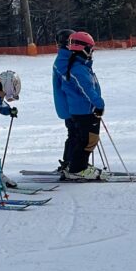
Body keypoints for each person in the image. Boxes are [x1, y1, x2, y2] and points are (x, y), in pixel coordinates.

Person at [60, 31, 107, 180]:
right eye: (90, 49)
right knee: (88, 140)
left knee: (86, 139)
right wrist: (99, 104)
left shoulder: (81, 66)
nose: (92, 52)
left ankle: (79, 165)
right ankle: (77, 169)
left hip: (85, 110)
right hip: (83, 111)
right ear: (83, 49)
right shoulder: (78, 69)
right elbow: (87, 90)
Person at [52, 29, 76, 173]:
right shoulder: (63, 60)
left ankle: (70, 161)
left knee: (74, 133)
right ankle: (69, 162)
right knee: (75, 133)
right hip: (68, 105)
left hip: (69, 104)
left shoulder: (67, 57)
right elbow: (69, 82)